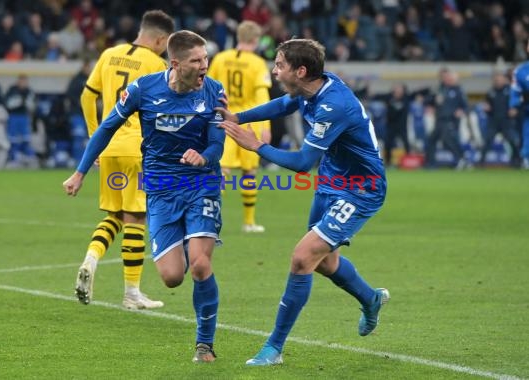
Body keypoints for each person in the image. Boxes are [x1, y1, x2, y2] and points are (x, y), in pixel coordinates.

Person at [217, 38, 390, 366]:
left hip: (360, 188)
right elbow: (283, 105)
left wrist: (255, 146)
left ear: (300, 70)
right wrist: (238, 117)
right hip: (331, 181)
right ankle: (370, 299)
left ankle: (274, 348)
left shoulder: (333, 106)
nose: (274, 69)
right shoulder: (312, 88)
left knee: (301, 258)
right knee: (324, 262)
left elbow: (301, 163)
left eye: (280, 64)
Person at [63, 30, 226, 363]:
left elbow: (217, 142)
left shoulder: (214, 91)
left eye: (206, 58)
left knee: (199, 265)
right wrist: (80, 171)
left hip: (201, 184)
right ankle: (187, 238)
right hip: (160, 189)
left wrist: (205, 156)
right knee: (171, 277)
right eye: (197, 61)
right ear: (176, 63)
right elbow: (107, 126)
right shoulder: (143, 89)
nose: (204, 66)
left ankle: (204, 344)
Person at [72, 10, 174, 310]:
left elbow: (87, 97)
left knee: (116, 215)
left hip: (109, 147)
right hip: (138, 150)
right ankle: (131, 293)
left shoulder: (109, 54)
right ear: (160, 39)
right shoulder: (156, 64)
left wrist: (96, 138)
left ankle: (92, 257)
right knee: (137, 218)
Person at [208, 20, 271, 233]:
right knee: (249, 172)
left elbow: (208, 88)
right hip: (248, 122)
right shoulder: (257, 64)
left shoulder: (220, 59)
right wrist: (266, 126)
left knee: (221, 170)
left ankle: (208, 218)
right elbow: (263, 98)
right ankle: (249, 222)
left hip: (223, 119)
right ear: (255, 40)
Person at [425, 68, 470, 169]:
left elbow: (465, 106)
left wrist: (461, 111)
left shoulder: (458, 91)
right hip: (439, 120)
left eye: (449, 78)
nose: (447, 80)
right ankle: (431, 163)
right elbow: (429, 100)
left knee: (448, 140)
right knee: (432, 140)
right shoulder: (439, 89)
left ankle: (461, 159)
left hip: (450, 120)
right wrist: (431, 105)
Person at [480, 72, 520, 167]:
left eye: (499, 79)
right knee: (487, 140)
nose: (497, 81)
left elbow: (517, 103)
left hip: (506, 120)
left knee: (512, 141)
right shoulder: (491, 92)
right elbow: (487, 105)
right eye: (495, 80)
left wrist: (515, 109)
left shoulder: (510, 91)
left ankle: (517, 160)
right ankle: (481, 161)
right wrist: (487, 108)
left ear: (504, 79)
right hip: (494, 121)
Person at [4, 74, 37, 168]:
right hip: (13, 116)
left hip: (24, 116)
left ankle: (27, 160)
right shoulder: (12, 90)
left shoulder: (29, 91)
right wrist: (17, 102)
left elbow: (33, 106)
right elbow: (7, 103)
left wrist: (27, 103)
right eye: (22, 81)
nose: (23, 83)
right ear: (18, 81)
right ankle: (13, 159)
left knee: (25, 139)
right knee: (13, 139)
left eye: (25, 81)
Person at [509, 40, 529, 169]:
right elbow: (515, 92)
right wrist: (514, 105)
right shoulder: (520, 71)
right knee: (527, 135)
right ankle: (526, 159)